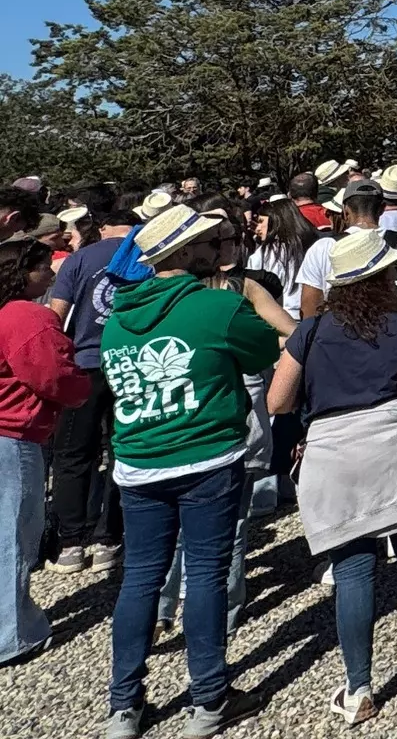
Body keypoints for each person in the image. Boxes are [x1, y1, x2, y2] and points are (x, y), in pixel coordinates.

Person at [100, 205, 282, 739]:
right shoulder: (214, 307)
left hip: (138, 461)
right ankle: (208, 697)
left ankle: (123, 707)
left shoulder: (115, 321)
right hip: (206, 455)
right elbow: (259, 354)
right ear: (182, 253)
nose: (215, 248)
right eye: (205, 241)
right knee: (204, 574)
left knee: (140, 579)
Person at [268, 231, 397, 723]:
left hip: (333, 446)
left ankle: (359, 687)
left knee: (353, 567)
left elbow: (277, 401)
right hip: (393, 438)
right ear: (382, 278)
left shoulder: (309, 332)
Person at [0, 236, 89, 664]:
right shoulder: (26, 317)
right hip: (12, 437)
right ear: (21, 273)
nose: (51, 274)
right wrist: (85, 389)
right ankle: (12, 635)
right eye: (42, 268)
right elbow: (55, 376)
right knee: (14, 535)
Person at [47, 204, 141, 574]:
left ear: (103, 227)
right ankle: (109, 538)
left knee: (72, 454)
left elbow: (56, 315)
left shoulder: (79, 260)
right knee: (123, 449)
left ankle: (71, 542)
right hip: (130, 363)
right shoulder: (143, 256)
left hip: (84, 364)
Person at [297, 181, 397, 318]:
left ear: (345, 211)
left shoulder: (323, 248)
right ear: (382, 208)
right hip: (393, 335)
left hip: (337, 334)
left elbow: (309, 310)